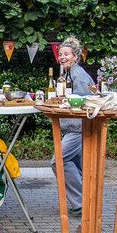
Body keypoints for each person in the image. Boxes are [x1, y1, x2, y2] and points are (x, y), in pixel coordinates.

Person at [49, 36, 95, 217]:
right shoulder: (66, 74)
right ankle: (86, 202)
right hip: (71, 127)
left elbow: (84, 101)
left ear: (76, 56)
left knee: (58, 161)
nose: (62, 57)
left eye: (66, 54)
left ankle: (79, 202)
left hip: (78, 128)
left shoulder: (78, 75)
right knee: (77, 166)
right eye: (60, 54)